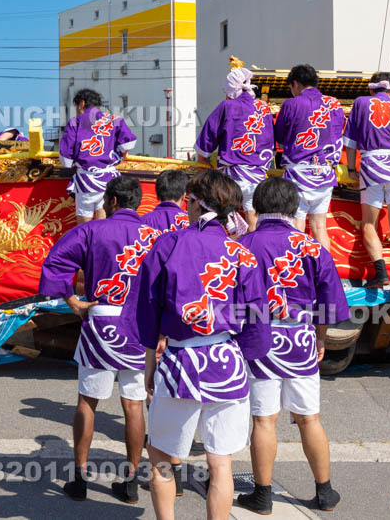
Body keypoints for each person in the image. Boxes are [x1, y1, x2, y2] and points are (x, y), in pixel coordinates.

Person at [135, 170, 270, 520]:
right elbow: (257, 317)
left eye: (188, 199)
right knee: (221, 462)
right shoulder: (242, 254)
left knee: (161, 457)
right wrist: (250, 360)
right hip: (226, 361)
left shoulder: (168, 244)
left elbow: (148, 308)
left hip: (180, 361)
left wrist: (149, 363)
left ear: (195, 203)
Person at [237, 177, 349, 513]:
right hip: (301, 339)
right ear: (293, 207)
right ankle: (325, 492)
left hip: (260, 339)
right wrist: (320, 337)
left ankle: (262, 495)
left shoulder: (243, 245)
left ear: (257, 205)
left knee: (264, 420)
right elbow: (330, 303)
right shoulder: (313, 247)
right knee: (309, 418)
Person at [37, 176, 152, 503]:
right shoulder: (155, 236)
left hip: (101, 320)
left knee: (88, 401)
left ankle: (79, 479)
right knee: (134, 404)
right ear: (136, 201)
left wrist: (73, 301)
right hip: (139, 326)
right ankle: (131, 481)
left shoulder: (91, 230)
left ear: (112, 201)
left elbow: (56, 262)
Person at [344, 72, 390, 299]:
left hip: (372, 166)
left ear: (371, 88)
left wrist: (351, 169)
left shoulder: (361, 102)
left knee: (369, 224)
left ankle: (381, 273)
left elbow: (350, 142)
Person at [273, 65, 344, 252]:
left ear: (295, 83)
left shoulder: (291, 104)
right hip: (325, 172)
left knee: (297, 224)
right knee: (320, 227)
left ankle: (300, 266)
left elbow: (279, 137)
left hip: (299, 173)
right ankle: (325, 267)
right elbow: (338, 134)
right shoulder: (333, 104)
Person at [194, 67, 275, 230]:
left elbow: (207, 139)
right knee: (253, 219)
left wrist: (205, 162)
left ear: (230, 90)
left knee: (221, 217)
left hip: (232, 175)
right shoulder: (264, 107)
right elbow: (270, 140)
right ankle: (252, 245)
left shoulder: (227, 106)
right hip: (258, 174)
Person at [60, 89, 137, 223]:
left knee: (84, 226)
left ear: (82, 104)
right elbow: (128, 143)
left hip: (85, 180)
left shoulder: (75, 122)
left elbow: (66, 159)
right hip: (109, 179)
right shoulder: (115, 120)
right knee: (104, 221)